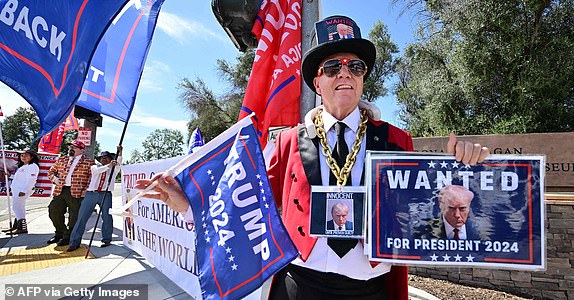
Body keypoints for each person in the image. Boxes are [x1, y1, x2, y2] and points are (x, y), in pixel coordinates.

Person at [134, 15, 489, 300]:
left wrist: (463, 171)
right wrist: (189, 206)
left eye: (355, 66)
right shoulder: (289, 141)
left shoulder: (396, 139)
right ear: (317, 83)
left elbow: (424, 211)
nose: (345, 73)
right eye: (333, 67)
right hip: (299, 286)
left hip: (370, 290)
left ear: (364, 79)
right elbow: (251, 209)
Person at [67, 147, 122, 252]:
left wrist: (120, 153)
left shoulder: (114, 170)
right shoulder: (94, 167)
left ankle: (106, 239)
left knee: (107, 216)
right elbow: (97, 171)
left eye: (107, 158)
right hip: (91, 194)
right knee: (82, 216)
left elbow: (119, 163)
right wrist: (108, 166)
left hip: (106, 195)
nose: (104, 160)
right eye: (102, 158)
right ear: (99, 160)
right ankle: (74, 242)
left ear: (111, 159)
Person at [47, 140, 93, 246]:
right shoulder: (62, 159)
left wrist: (85, 190)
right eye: (70, 147)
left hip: (77, 192)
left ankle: (68, 237)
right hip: (60, 190)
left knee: (74, 217)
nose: (71, 149)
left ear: (82, 150)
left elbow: (92, 178)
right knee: (53, 211)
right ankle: (60, 233)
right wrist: (55, 179)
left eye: (75, 147)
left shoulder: (89, 162)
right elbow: (51, 171)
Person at [1, 149, 39, 234]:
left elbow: (31, 180)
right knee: (17, 208)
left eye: (26, 155)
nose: (23, 157)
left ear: (31, 157)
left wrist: (24, 190)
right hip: (17, 190)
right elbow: (19, 178)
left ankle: (22, 228)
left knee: (17, 208)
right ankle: (16, 226)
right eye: (22, 155)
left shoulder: (32, 166)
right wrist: (10, 175)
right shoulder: (23, 167)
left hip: (22, 191)